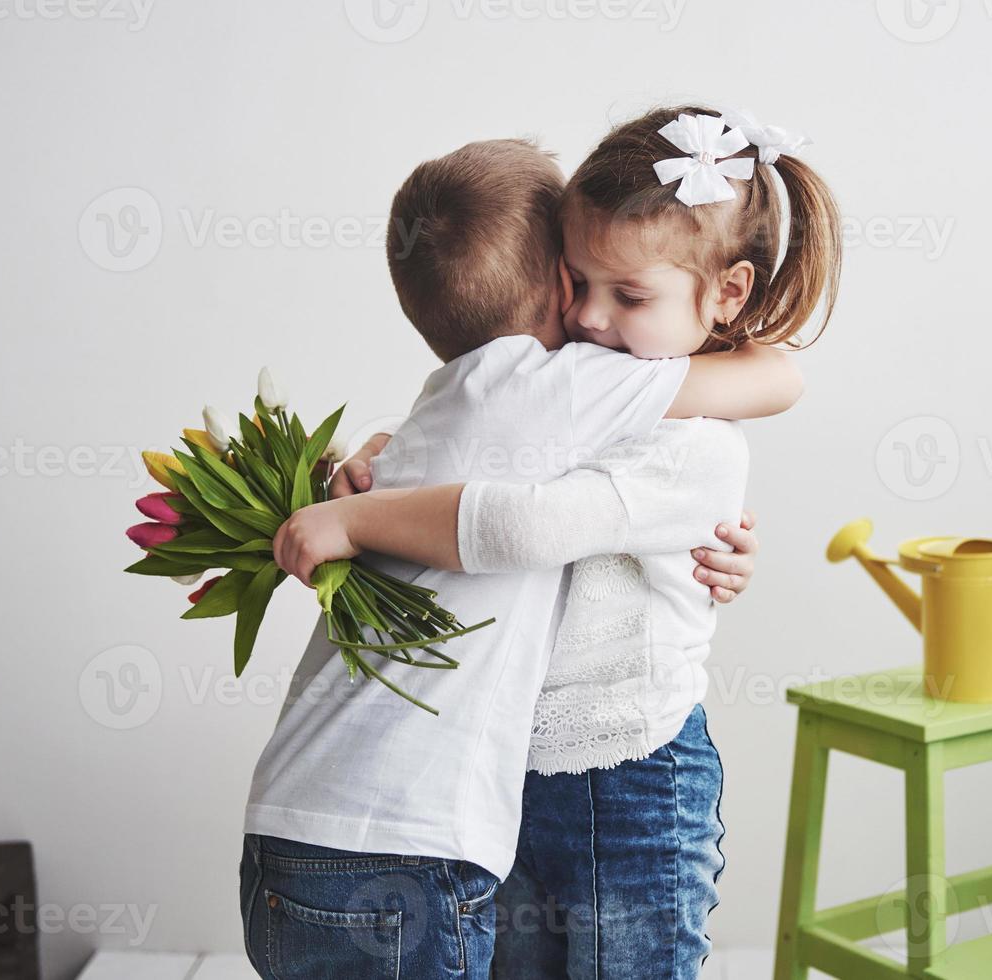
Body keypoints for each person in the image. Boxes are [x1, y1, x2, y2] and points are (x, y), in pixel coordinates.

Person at [270, 104, 841, 978]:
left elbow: (525, 515)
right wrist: (377, 457)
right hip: (516, 765)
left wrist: (362, 516)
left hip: (630, 766)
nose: (592, 319)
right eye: (578, 282)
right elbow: (479, 423)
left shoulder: (692, 434)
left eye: (631, 296)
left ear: (727, 291)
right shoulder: (586, 380)